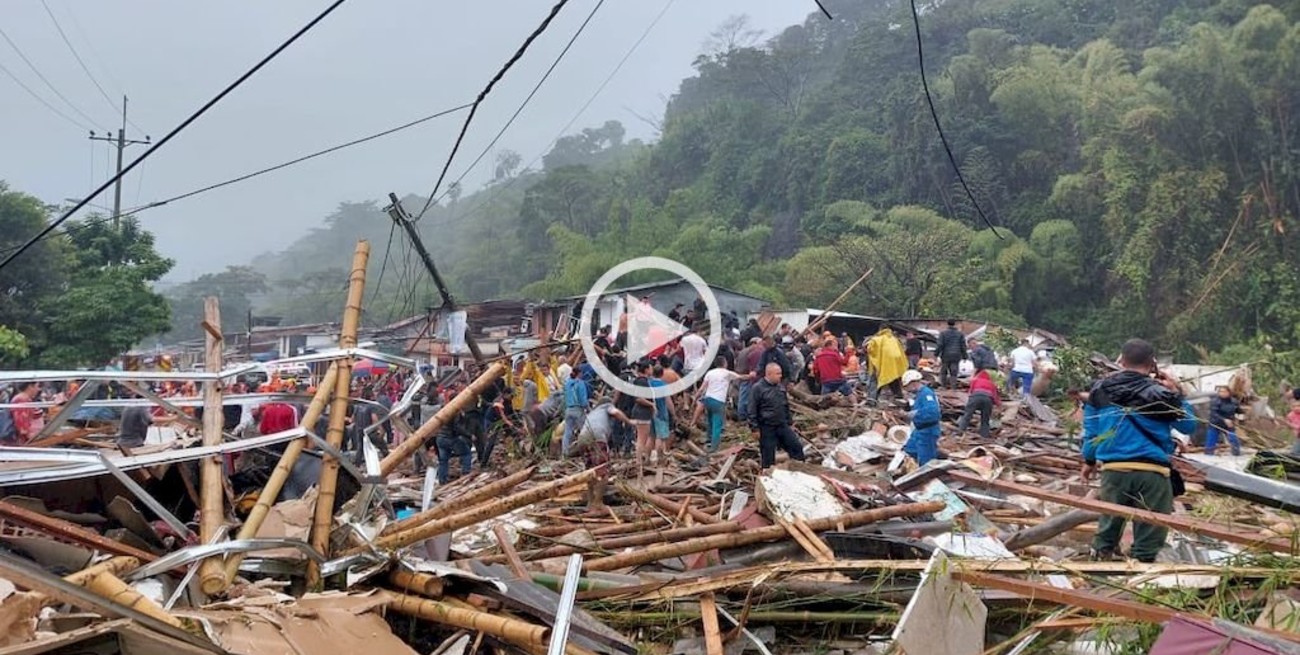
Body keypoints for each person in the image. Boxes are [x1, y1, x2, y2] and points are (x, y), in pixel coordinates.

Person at [1082, 338, 1196, 563]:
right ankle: (1141, 572)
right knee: (1150, 532)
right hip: (1153, 472)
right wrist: (1177, 393)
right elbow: (1188, 426)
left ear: (1121, 361)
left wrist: (1088, 460)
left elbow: (1092, 431)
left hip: (1114, 470)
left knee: (1109, 524)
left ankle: (1098, 566)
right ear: (1152, 363)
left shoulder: (1100, 390)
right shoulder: (1162, 394)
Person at [569, 400, 629, 509]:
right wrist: (629, 421)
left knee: (590, 472)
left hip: (582, 438)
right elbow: (615, 412)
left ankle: (590, 501)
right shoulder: (607, 406)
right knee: (603, 472)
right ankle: (598, 502)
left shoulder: (592, 413)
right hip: (597, 436)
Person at [749, 363, 806, 469]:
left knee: (796, 447)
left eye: (780, 373)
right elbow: (752, 409)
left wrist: (790, 422)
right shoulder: (758, 388)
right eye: (778, 373)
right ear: (769, 374)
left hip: (782, 425)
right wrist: (754, 428)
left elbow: (785, 405)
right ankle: (768, 475)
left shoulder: (780, 387)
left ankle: (800, 470)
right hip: (766, 427)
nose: (780, 376)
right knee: (768, 456)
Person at [696, 356, 745, 451]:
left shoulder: (709, 373)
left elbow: (702, 388)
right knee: (717, 424)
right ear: (724, 363)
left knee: (709, 421)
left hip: (708, 399)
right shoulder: (727, 373)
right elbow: (741, 377)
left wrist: (696, 397)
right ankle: (714, 447)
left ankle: (708, 440)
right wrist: (751, 375)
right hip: (718, 401)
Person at [902, 370, 942, 465]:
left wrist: (914, 414)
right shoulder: (919, 395)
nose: (908, 390)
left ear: (913, 383)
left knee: (926, 460)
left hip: (928, 431)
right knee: (909, 450)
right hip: (919, 430)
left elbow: (933, 413)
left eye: (908, 387)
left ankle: (927, 475)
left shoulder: (926, 394)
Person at [628, 360, 658, 465]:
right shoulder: (642, 382)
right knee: (642, 438)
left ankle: (641, 460)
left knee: (642, 438)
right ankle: (639, 461)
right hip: (642, 413)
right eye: (650, 368)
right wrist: (651, 405)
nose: (651, 370)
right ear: (646, 370)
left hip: (641, 412)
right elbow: (639, 398)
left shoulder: (640, 381)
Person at [866, 328, 908, 400]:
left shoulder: (876, 339)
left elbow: (869, 349)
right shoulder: (894, 340)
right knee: (893, 378)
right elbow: (901, 351)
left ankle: (872, 399)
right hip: (894, 365)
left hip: (882, 364)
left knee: (876, 380)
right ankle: (899, 396)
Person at [958, 369, 1001, 439]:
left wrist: (969, 403)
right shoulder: (991, 383)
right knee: (985, 419)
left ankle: (960, 431)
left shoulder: (975, 380)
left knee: (967, 415)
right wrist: (999, 405)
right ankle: (984, 435)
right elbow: (995, 396)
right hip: (988, 399)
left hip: (975, 397)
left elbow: (971, 391)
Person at [435, 414, 474, 484]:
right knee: (466, 453)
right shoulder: (453, 412)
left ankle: (442, 479)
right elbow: (457, 427)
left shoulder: (443, 412)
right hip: (451, 438)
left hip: (440, 437)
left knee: (443, 460)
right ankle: (466, 474)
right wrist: (469, 435)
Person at [1205, 385, 1242, 456]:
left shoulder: (1234, 401)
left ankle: (1236, 455)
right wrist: (1224, 419)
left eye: (1224, 391)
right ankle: (1208, 455)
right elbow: (1214, 413)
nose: (1222, 393)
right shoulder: (1214, 401)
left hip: (1228, 425)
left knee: (1234, 440)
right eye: (1221, 391)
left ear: (1229, 392)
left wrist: (1239, 417)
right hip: (1215, 423)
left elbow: (1238, 410)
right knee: (1211, 442)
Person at [649, 365, 674, 463]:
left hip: (649, 413)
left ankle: (648, 456)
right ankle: (657, 458)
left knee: (651, 437)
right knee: (660, 437)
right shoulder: (663, 385)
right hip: (661, 413)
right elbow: (668, 401)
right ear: (662, 374)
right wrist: (673, 413)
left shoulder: (648, 383)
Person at [562, 366, 589, 456]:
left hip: (568, 409)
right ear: (579, 374)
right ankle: (586, 451)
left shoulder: (567, 383)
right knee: (584, 431)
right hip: (578, 410)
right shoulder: (580, 383)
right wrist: (587, 408)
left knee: (567, 432)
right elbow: (583, 399)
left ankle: (564, 452)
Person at [735, 337, 762, 423]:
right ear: (754, 343)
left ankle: (742, 415)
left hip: (740, 374)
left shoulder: (743, 351)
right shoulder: (751, 352)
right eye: (759, 344)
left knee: (742, 396)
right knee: (745, 398)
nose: (759, 346)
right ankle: (743, 417)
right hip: (747, 376)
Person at [936, 320, 967, 389]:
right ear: (954, 324)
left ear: (947, 324)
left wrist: (936, 354)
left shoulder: (943, 333)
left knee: (944, 371)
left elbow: (940, 345)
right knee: (954, 372)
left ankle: (943, 386)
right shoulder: (960, 334)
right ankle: (953, 387)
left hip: (945, 355)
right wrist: (965, 356)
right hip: (956, 355)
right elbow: (963, 346)